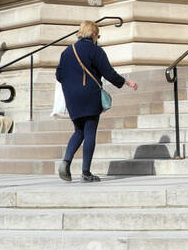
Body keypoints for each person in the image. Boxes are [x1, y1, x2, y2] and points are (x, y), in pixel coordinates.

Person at [55, 20, 137, 183]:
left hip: (71, 97)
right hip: (89, 94)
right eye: (97, 35)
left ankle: (66, 162)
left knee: (79, 130)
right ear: (93, 34)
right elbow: (109, 73)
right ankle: (86, 172)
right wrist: (126, 82)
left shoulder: (66, 52)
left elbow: (59, 75)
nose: (97, 38)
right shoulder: (95, 50)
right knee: (90, 131)